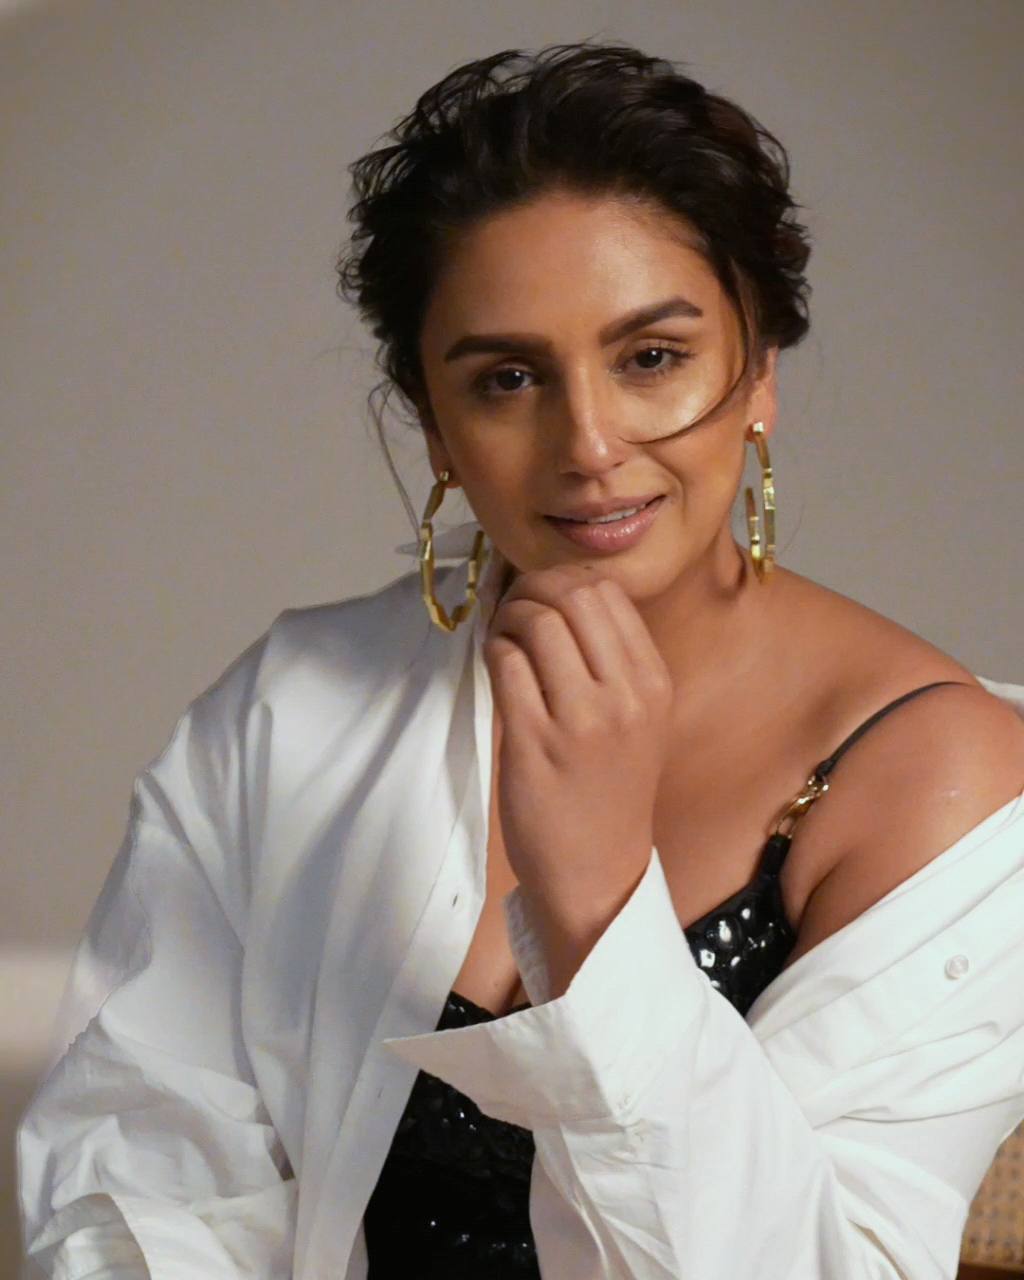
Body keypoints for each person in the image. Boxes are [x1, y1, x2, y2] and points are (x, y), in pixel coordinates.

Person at [17, 38, 1024, 1280]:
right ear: (435, 425)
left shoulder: (940, 775)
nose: (588, 443)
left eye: (650, 357)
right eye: (507, 378)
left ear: (759, 373)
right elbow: (134, 1181)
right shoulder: (293, 706)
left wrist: (594, 899)